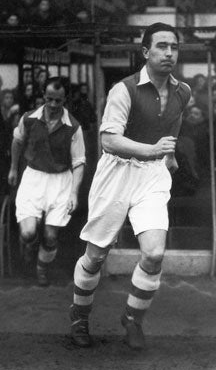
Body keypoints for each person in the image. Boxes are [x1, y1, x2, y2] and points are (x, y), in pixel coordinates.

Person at [69, 22, 191, 350]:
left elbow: (173, 122)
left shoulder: (183, 91)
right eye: (162, 46)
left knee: (154, 254)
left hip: (152, 175)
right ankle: (80, 315)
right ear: (145, 52)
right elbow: (109, 141)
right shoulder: (123, 90)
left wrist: (169, 154)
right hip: (117, 173)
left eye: (174, 47)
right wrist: (152, 150)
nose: (169, 52)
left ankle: (133, 319)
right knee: (95, 256)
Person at [7, 77, 86, 286]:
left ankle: (41, 270)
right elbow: (17, 141)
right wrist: (14, 168)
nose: (52, 105)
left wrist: (74, 193)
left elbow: (79, 162)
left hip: (60, 182)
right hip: (33, 178)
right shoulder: (29, 118)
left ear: (65, 100)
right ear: (43, 95)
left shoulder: (73, 127)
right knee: (28, 232)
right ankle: (29, 247)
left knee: (50, 236)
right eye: (49, 99)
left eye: (58, 101)